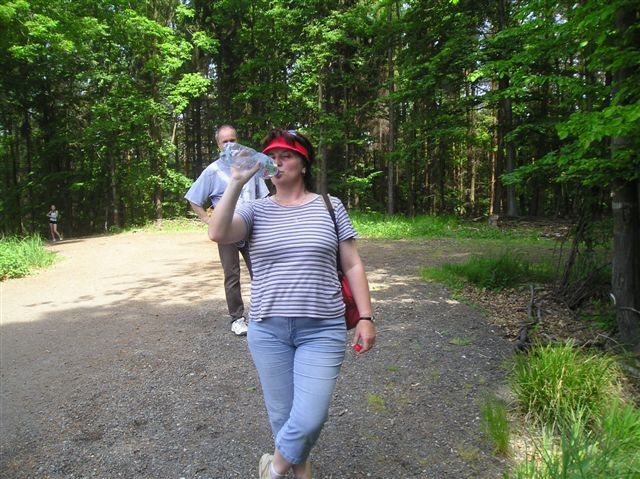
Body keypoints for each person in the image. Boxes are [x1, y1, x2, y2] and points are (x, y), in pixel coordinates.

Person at [208, 128, 376, 479]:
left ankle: (272, 469)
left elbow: (352, 264)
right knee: (283, 416)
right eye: (271, 156)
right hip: (268, 330)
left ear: (304, 163)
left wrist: (366, 316)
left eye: (285, 155)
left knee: (310, 416)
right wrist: (236, 181)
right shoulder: (255, 210)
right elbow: (218, 232)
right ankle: (300, 472)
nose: (277, 161)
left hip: (322, 328)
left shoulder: (330, 206)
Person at [185, 125, 270, 336]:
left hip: (252, 227)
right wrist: (207, 220)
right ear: (218, 145)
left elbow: (264, 197)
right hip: (227, 229)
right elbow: (194, 198)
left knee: (262, 271)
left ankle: (265, 314)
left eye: (233, 139)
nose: (230, 144)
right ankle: (237, 319)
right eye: (225, 141)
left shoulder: (252, 165)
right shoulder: (213, 171)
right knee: (232, 274)